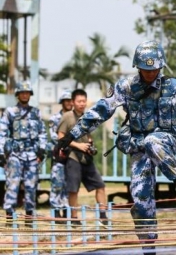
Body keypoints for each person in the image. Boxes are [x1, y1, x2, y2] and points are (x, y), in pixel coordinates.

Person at [55, 40, 176, 255]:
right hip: (138, 145)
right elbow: (101, 110)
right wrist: (71, 135)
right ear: (138, 67)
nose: (150, 73)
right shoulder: (126, 87)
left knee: (152, 142)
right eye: (146, 69)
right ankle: (149, 252)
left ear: (161, 67)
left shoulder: (173, 87)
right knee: (140, 197)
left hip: (165, 140)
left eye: (154, 69)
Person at [57, 89, 108, 226]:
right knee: (73, 189)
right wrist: (78, 145)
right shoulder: (67, 116)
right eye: (79, 101)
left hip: (87, 157)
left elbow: (88, 136)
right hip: (73, 156)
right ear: (73, 102)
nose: (81, 104)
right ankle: (74, 218)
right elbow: (60, 137)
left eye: (84, 101)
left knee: (100, 185)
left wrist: (90, 145)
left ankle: (103, 216)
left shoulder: (88, 116)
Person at [0, 81, 47, 226]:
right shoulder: (10, 112)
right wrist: (1, 153)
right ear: (18, 94)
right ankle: (9, 217)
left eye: (27, 93)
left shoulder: (36, 112)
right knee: (12, 185)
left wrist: (42, 150)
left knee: (31, 187)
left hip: (32, 156)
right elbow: (2, 132)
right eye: (22, 93)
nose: (25, 95)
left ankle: (29, 217)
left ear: (30, 95)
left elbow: (42, 132)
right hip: (15, 155)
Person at [48, 90, 73, 219]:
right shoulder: (55, 118)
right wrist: (66, 143)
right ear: (62, 102)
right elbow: (54, 136)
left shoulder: (76, 118)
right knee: (57, 183)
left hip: (72, 156)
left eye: (70, 100)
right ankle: (56, 211)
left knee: (69, 185)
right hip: (59, 155)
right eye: (66, 100)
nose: (69, 103)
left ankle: (66, 210)